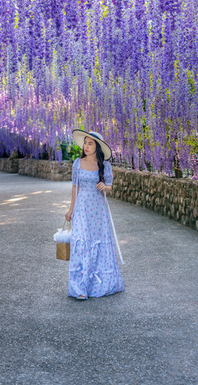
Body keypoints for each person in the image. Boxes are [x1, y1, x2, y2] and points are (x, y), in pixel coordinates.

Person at [64, 129, 125, 300]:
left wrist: (104, 187)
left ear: (97, 147)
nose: (86, 146)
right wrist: (71, 209)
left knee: (98, 244)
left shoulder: (104, 165)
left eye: (90, 143)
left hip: (98, 211)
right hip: (82, 208)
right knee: (82, 243)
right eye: (85, 143)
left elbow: (110, 187)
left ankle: (100, 284)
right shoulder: (77, 163)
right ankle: (80, 287)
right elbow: (75, 187)